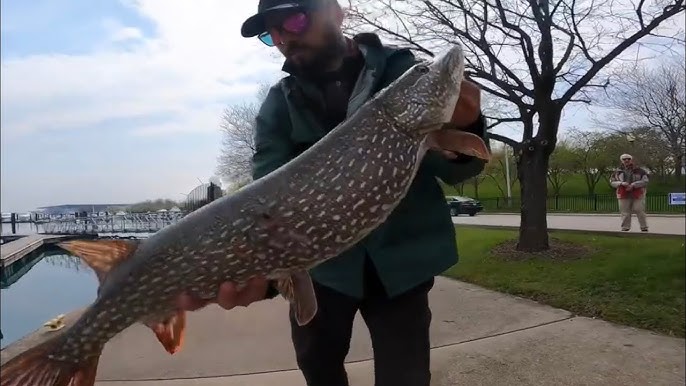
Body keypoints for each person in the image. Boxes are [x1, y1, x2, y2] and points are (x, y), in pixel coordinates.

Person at [176, 0, 488, 385]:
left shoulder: (401, 72)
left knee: (406, 377)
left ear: (337, 11)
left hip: (401, 266)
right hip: (325, 274)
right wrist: (263, 270)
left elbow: (460, 170)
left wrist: (470, 120)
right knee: (318, 368)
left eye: (294, 18)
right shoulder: (278, 105)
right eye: (269, 32)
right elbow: (268, 204)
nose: (283, 37)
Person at [610, 153, 649, 232]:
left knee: (639, 209)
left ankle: (644, 227)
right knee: (625, 212)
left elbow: (645, 181)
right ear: (622, 161)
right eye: (624, 159)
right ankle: (625, 227)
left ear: (631, 160)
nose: (626, 160)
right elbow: (612, 182)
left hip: (638, 193)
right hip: (623, 194)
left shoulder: (640, 171)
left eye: (628, 159)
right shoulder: (617, 172)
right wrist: (621, 183)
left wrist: (634, 185)